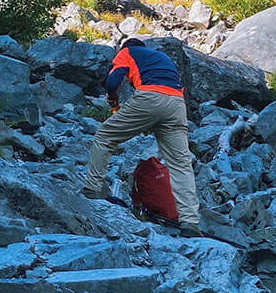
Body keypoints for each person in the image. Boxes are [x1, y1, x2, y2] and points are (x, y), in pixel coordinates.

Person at [83, 38, 202, 237]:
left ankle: (92, 189)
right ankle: (190, 223)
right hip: (177, 104)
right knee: (180, 164)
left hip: (149, 98)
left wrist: (113, 100)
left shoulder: (127, 52)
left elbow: (112, 82)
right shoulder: (162, 57)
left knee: (104, 136)